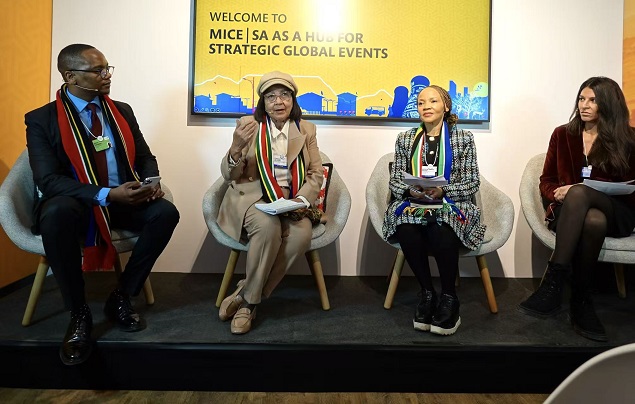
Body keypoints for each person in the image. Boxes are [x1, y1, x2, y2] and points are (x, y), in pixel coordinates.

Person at [25, 44, 180, 365]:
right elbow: (48, 181)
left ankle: (121, 296)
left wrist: (149, 183)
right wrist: (106, 195)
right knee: (56, 213)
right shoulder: (41, 119)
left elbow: (145, 156)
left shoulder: (121, 111)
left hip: (121, 199)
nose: (107, 76)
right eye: (98, 71)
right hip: (76, 203)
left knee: (165, 213)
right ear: (71, 76)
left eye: (108, 68)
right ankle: (78, 313)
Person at [518, 76, 635, 342]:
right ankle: (581, 297)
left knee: (580, 191)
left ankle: (553, 283)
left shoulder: (628, 139)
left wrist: (577, 189)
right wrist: (558, 193)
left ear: (608, 103)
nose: (584, 105)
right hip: (571, 213)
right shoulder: (563, 134)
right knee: (592, 219)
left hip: (618, 212)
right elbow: (546, 180)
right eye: (582, 99)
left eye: (593, 100)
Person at [216, 71, 323, 335]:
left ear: (293, 100)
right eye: (271, 96)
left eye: (285, 95)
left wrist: (300, 199)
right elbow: (230, 175)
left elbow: (315, 174)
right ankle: (250, 305)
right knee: (268, 227)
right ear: (262, 102)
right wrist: (236, 147)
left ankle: (244, 293)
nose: (278, 102)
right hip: (254, 197)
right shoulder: (248, 125)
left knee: (301, 235)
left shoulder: (306, 129)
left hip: (291, 200)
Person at [382, 85, 486, 336]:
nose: (426, 106)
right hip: (415, 201)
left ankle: (449, 297)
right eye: (421, 102)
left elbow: (472, 182)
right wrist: (411, 190)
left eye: (433, 101)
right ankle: (427, 293)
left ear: (446, 106)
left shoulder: (463, 138)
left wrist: (442, 190)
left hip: (452, 203)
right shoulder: (405, 138)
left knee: (441, 221)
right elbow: (396, 180)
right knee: (405, 221)